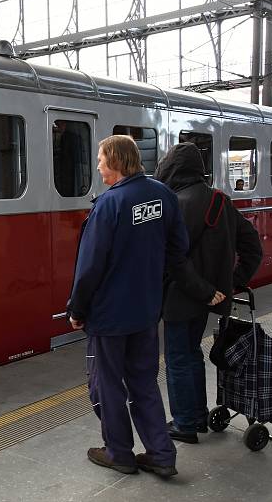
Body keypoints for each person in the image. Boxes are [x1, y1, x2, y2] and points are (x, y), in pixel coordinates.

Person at [67, 135, 188, 478]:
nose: (99, 166)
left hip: (108, 316)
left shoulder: (109, 204)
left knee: (106, 384)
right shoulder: (163, 195)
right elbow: (179, 248)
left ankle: (119, 452)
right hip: (146, 312)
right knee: (144, 383)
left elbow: (89, 267)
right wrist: (150, 279)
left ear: (117, 161)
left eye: (102, 159)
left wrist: (77, 309)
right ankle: (162, 454)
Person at [155, 143, 262, 444]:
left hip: (180, 296)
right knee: (192, 353)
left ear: (172, 169)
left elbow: (169, 260)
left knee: (178, 358)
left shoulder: (174, 204)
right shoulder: (220, 200)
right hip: (208, 299)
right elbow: (253, 248)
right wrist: (231, 283)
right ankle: (197, 415)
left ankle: (186, 423)